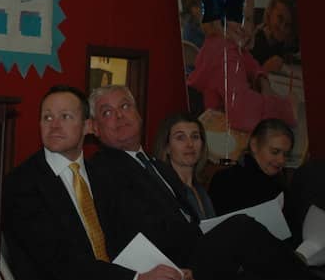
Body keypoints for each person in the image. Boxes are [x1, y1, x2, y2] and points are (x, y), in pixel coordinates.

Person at [88, 84, 314, 280]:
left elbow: (185, 216)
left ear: (138, 114)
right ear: (95, 128)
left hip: (195, 248)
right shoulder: (100, 170)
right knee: (240, 228)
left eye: (125, 106)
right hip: (163, 263)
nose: (119, 116)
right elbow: (127, 229)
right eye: (107, 112)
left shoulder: (157, 166)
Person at [2, 85, 190, 280]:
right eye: (47, 118)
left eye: (65, 116)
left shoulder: (102, 175)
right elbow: (57, 261)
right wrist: (136, 278)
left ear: (87, 127)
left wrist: (170, 269)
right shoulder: (21, 183)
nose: (54, 125)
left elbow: (125, 237)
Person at [187, 0, 295, 133]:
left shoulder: (234, 44)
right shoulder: (222, 50)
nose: (245, 26)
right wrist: (286, 108)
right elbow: (243, 113)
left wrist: (262, 80)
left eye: (249, 18)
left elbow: (252, 64)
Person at [209, 118, 294, 216]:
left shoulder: (281, 186)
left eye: (286, 155)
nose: (281, 160)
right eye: (275, 152)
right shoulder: (225, 181)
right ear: (254, 145)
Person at [152, 113, 216, 219]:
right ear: (167, 147)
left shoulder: (201, 190)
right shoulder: (162, 191)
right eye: (181, 137)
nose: (190, 144)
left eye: (195, 137)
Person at [250, 0, 299, 73]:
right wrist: (264, 69)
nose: (282, 28)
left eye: (287, 24)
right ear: (269, 13)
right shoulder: (256, 41)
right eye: (280, 18)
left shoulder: (278, 41)